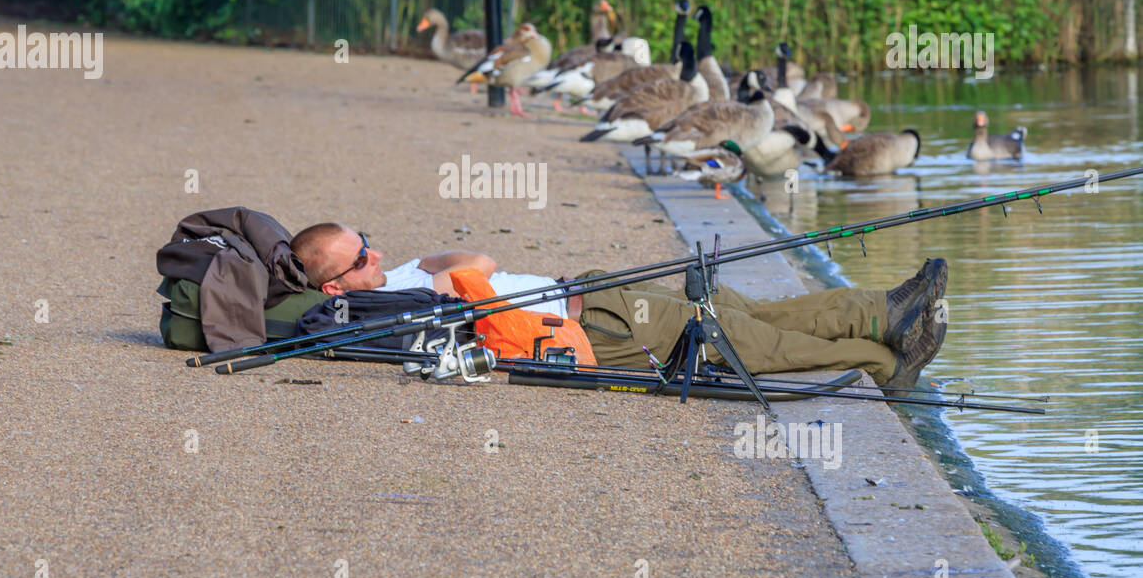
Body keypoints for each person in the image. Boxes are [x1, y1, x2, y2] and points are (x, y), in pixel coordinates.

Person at [289, 222, 948, 392]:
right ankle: (885, 360)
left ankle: (877, 311)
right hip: (586, 325)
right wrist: (453, 269)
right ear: (335, 288)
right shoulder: (394, 302)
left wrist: (456, 267)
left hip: (589, 289)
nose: (376, 256)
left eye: (369, 244)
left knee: (739, 308)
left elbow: (468, 259)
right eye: (361, 258)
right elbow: (470, 270)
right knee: (736, 339)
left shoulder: (387, 279)